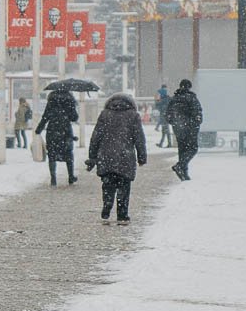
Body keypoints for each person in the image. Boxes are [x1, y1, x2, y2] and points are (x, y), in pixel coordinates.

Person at [86, 93, 148, 225]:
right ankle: (122, 215)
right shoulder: (133, 116)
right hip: (125, 157)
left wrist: (92, 156)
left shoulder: (105, 114)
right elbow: (139, 138)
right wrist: (142, 156)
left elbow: (96, 137)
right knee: (124, 187)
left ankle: (107, 206)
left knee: (108, 184)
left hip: (106, 156)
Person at [34, 89, 79, 186]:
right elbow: (74, 118)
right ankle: (71, 176)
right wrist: (73, 106)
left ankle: (53, 178)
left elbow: (45, 117)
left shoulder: (51, 102)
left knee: (52, 154)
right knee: (68, 154)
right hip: (66, 132)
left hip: (52, 131)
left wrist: (38, 130)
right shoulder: (69, 101)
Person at [166, 78, 203, 181]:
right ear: (189, 87)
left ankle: (184, 173)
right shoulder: (191, 98)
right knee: (193, 148)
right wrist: (195, 124)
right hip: (190, 128)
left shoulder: (174, 99)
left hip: (178, 129)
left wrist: (175, 124)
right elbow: (197, 113)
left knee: (182, 150)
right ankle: (180, 165)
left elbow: (168, 115)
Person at [155, 83, 173, 148]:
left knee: (166, 131)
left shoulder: (162, 100)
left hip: (164, 117)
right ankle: (162, 143)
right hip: (166, 116)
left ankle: (169, 144)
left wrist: (157, 100)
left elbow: (158, 107)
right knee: (164, 131)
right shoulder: (168, 98)